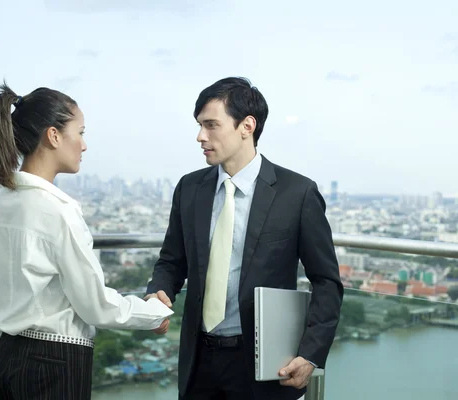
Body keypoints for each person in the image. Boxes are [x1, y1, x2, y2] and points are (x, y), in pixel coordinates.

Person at [0, 82, 174, 399]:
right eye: (80, 132)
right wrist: (153, 312)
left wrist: (4, 361)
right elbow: (94, 305)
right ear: (53, 136)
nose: (84, 144)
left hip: (7, 360)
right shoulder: (57, 211)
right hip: (57, 363)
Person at [145, 77, 344, 400]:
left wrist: (310, 356)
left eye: (211, 125)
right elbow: (172, 260)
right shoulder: (190, 188)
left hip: (265, 366)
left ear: (246, 126)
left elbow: (326, 282)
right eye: (199, 125)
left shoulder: (297, 193)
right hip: (198, 362)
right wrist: (157, 292)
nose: (200, 136)